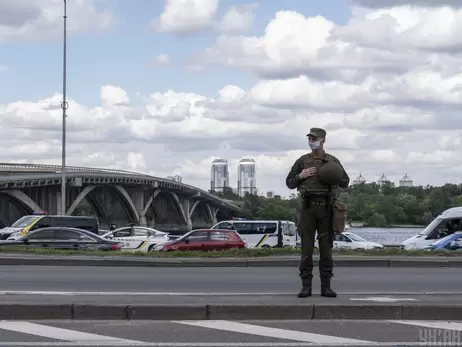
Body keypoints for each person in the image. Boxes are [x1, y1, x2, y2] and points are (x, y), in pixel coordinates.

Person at [285, 128, 350, 298]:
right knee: (306, 250)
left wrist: (333, 175)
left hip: (327, 209)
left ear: (322, 140)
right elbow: (289, 182)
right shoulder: (303, 161)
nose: (311, 141)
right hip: (307, 208)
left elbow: (345, 182)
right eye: (309, 138)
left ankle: (326, 287)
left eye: (314, 138)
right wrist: (301, 175)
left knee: (326, 250)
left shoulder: (332, 161)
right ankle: (306, 286)